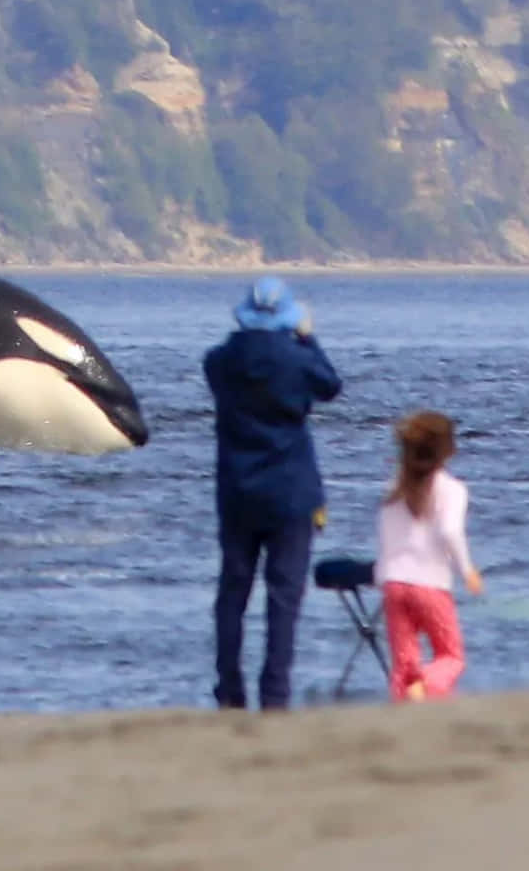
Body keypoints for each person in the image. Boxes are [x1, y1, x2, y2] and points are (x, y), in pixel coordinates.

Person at [203, 276, 342, 711]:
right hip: (291, 492)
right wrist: (309, 337)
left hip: (237, 492)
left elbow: (221, 358)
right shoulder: (297, 361)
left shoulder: (220, 361)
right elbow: (331, 385)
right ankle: (275, 694)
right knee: (284, 597)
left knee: (233, 594)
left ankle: (229, 690)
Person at [375, 411, 483, 702]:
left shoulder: (394, 488)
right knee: (451, 655)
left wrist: (381, 574)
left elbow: (385, 531)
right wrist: (467, 570)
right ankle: (423, 690)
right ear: (447, 451)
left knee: (404, 661)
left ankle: (402, 704)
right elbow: (450, 532)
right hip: (430, 585)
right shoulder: (452, 489)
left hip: (394, 582)